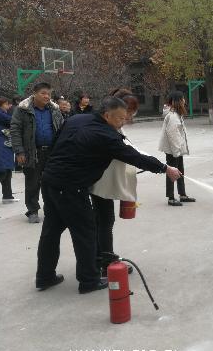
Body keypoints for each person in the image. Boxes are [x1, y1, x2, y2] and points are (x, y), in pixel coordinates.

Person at [36, 96, 182, 294]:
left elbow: (55, 144)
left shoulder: (76, 119)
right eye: (120, 118)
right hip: (71, 186)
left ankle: (44, 276)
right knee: (86, 232)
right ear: (106, 115)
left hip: (49, 179)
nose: (123, 122)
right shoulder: (106, 135)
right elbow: (134, 157)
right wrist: (165, 168)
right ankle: (89, 281)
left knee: (51, 230)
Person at [90, 88, 141, 276]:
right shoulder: (107, 129)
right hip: (100, 182)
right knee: (105, 221)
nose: (129, 117)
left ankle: (98, 259)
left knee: (101, 221)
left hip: (101, 181)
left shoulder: (112, 125)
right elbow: (123, 153)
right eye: (128, 113)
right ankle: (106, 264)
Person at [10, 82, 64, 223]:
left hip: (52, 152)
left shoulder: (54, 110)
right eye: (43, 93)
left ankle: (51, 209)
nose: (47, 96)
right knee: (32, 183)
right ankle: (33, 210)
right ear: (34, 93)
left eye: (49, 94)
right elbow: (15, 131)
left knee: (52, 182)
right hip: (32, 152)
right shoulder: (22, 110)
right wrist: (19, 152)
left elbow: (62, 129)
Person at [159, 91, 195, 206]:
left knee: (180, 171)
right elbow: (173, 135)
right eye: (182, 98)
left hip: (176, 150)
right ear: (177, 101)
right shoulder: (173, 116)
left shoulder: (177, 114)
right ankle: (171, 198)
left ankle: (182, 194)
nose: (184, 101)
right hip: (173, 151)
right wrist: (176, 151)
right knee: (172, 172)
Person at [0, 97, 17, 203]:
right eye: (6, 104)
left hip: (6, 143)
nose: (8, 107)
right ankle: (7, 196)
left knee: (8, 170)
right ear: (1, 105)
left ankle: (7, 196)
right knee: (1, 171)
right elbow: (12, 121)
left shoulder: (2, 113)